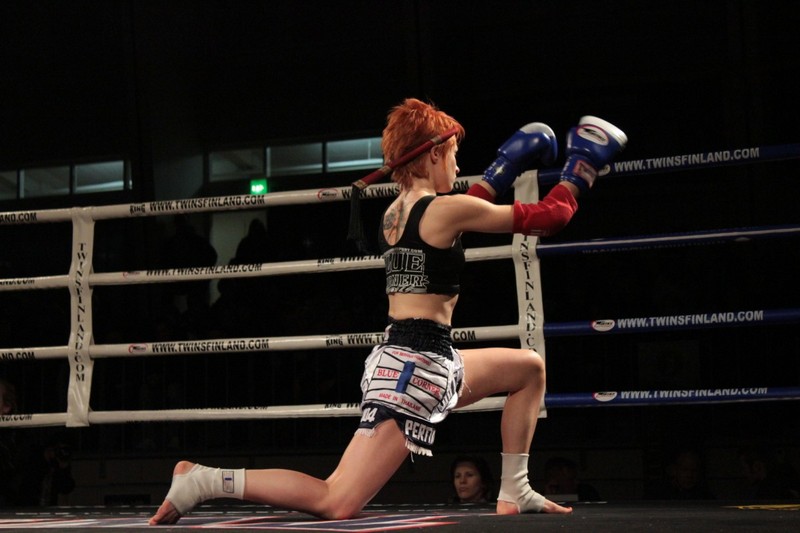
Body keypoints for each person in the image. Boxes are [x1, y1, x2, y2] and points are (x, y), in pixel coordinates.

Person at [150, 98, 626, 524]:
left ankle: (514, 489)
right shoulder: (441, 211)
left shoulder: (397, 212)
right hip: (415, 371)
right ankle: (203, 480)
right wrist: (579, 169)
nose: (459, 165)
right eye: (454, 154)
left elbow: (462, 210)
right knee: (335, 499)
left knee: (528, 369)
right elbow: (550, 218)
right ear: (433, 154)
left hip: (424, 356)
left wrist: (505, 167)